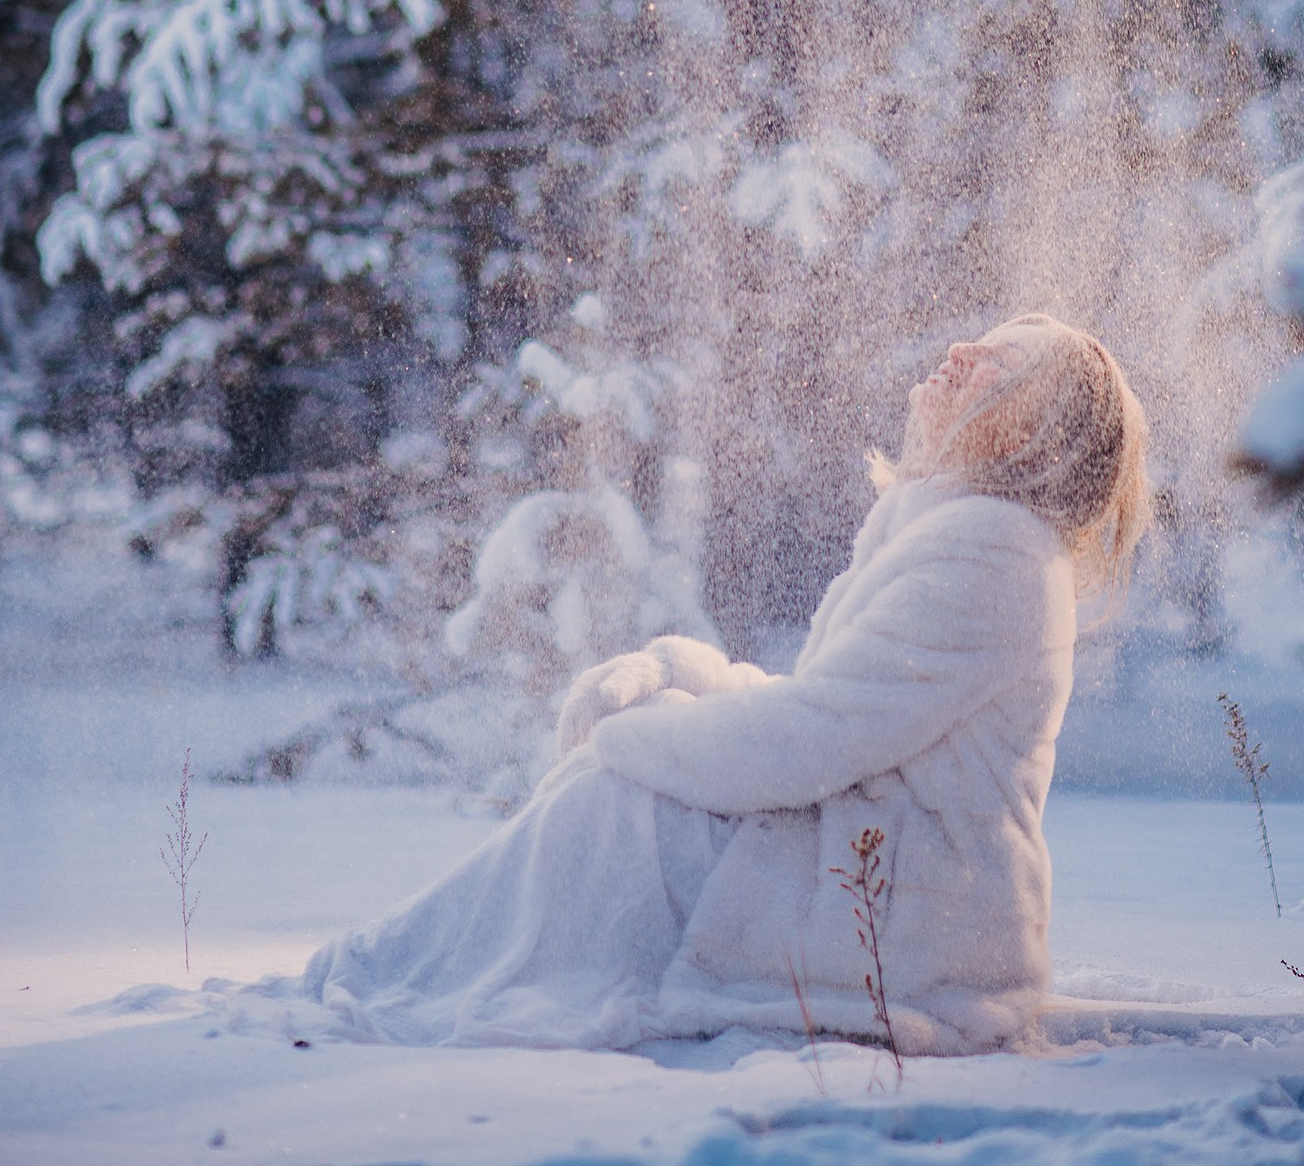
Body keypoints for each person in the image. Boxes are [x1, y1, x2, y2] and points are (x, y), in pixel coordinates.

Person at [299, 313, 1150, 1056]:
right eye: (984, 341)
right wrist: (678, 676)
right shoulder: (964, 532)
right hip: (879, 879)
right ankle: (403, 969)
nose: (964, 352)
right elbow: (832, 710)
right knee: (622, 793)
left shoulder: (991, 552)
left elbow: (815, 737)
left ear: (1036, 431)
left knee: (624, 803)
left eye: (1002, 364)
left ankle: (393, 975)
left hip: (912, 931)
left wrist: (634, 737)